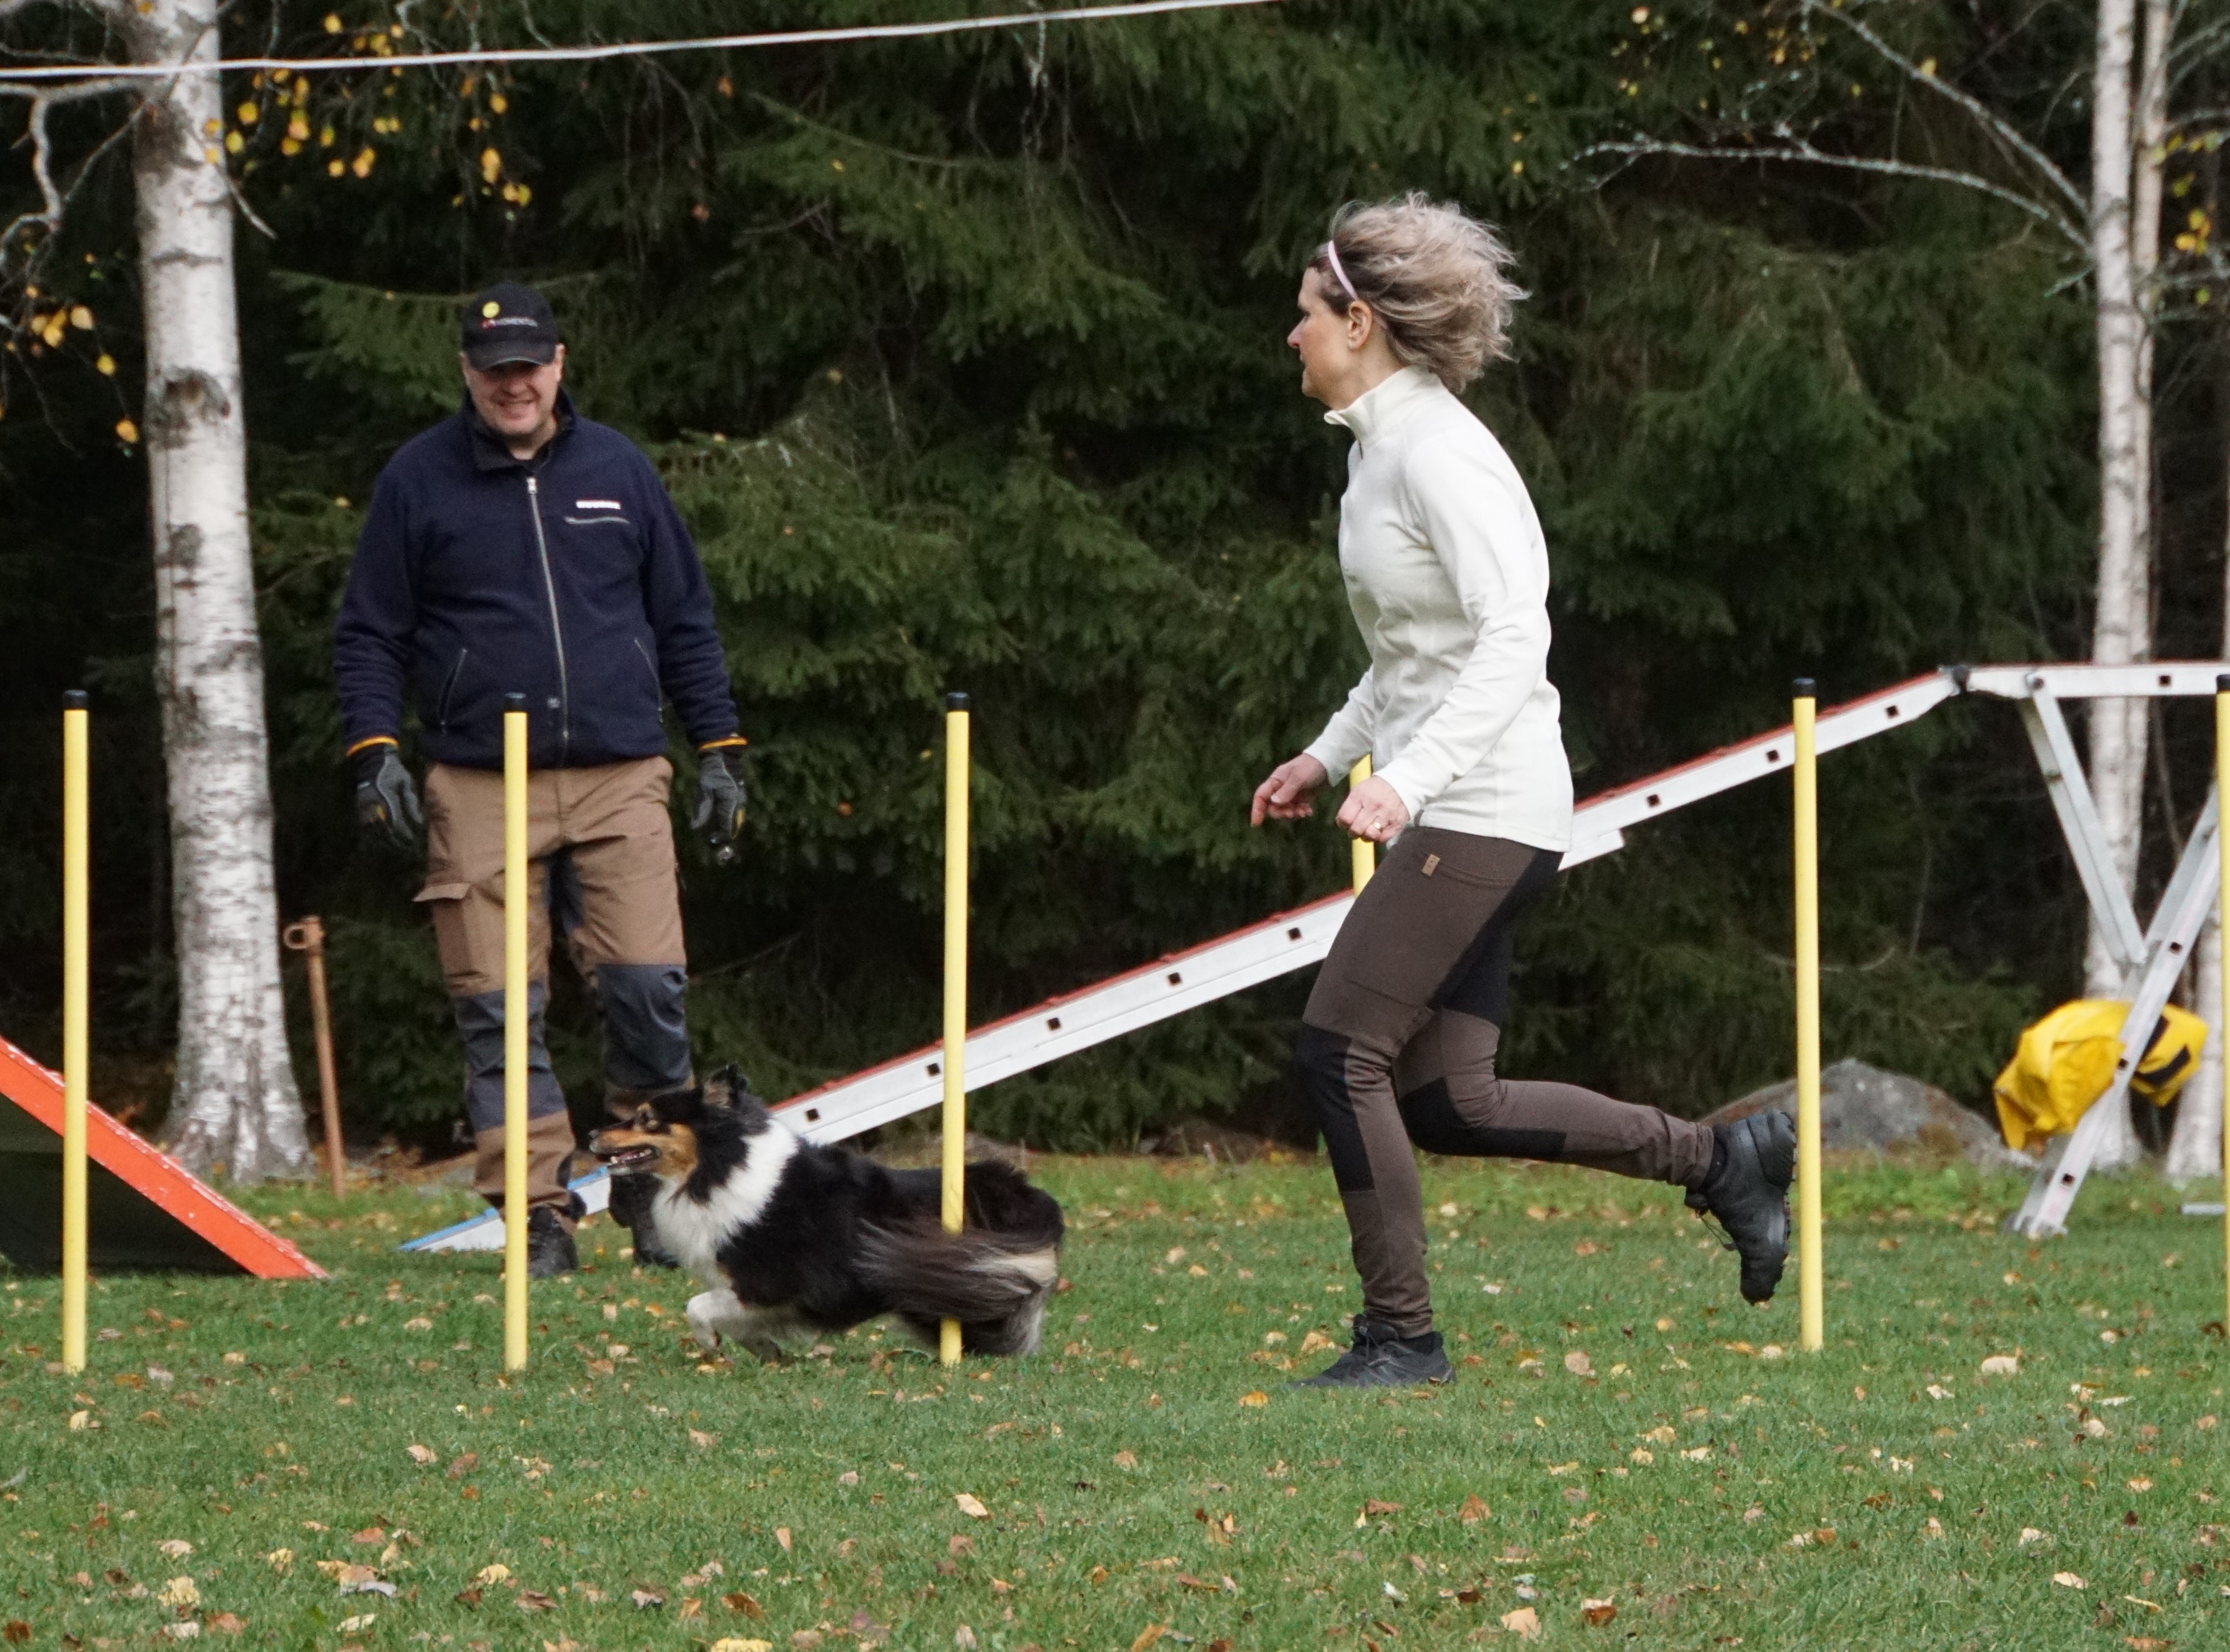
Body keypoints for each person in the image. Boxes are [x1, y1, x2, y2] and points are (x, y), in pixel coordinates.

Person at [1252, 196, 1794, 1388]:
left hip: (1481, 808)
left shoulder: (1438, 452)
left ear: (1359, 320)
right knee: (1451, 1097)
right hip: (1468, 803)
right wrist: (1329, 752)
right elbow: (1410, 651)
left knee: (1340, 1049)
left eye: (1304, 317)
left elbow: (1513, 638)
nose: (1289, 337)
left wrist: (1409, 784)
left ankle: (1403, 1338)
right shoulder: (1385, 451)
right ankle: (1721, 1162)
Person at [334, 281, 749, 1277]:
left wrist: (722, 750)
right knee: (497, 1007)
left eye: (528, 366)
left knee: (649, 988)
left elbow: (683, 618)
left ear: (558, 366)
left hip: (619, 770)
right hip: (481, 779)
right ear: (468, 377)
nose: (512, 385)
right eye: (493, 370)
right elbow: (370, 632)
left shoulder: (619, 469)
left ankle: (646, 1179)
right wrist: (374, 748)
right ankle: (539, 1210)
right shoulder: (417, 481)